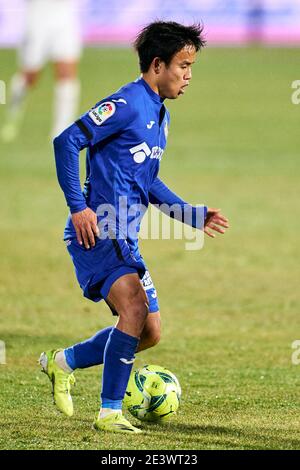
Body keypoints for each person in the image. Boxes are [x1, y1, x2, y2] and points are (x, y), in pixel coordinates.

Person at [39, 21, 229, 434]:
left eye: (192, 65)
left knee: (149, 331)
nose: (188, 74)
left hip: (125, 236)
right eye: (183, 64)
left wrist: (190, 214)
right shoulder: (126, 103)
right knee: (135, 309)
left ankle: (62, 363)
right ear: (157, 64)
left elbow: (148, 183)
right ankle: (109, 412)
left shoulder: (160, 117)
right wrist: (78, 208)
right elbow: (66, 141)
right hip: (98, 230)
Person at [1, 0, 81, 142]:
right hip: (38, 17)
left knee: (66, 72)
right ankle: (11, 117)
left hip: (64, 16)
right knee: (30, 76)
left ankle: (61, 131)